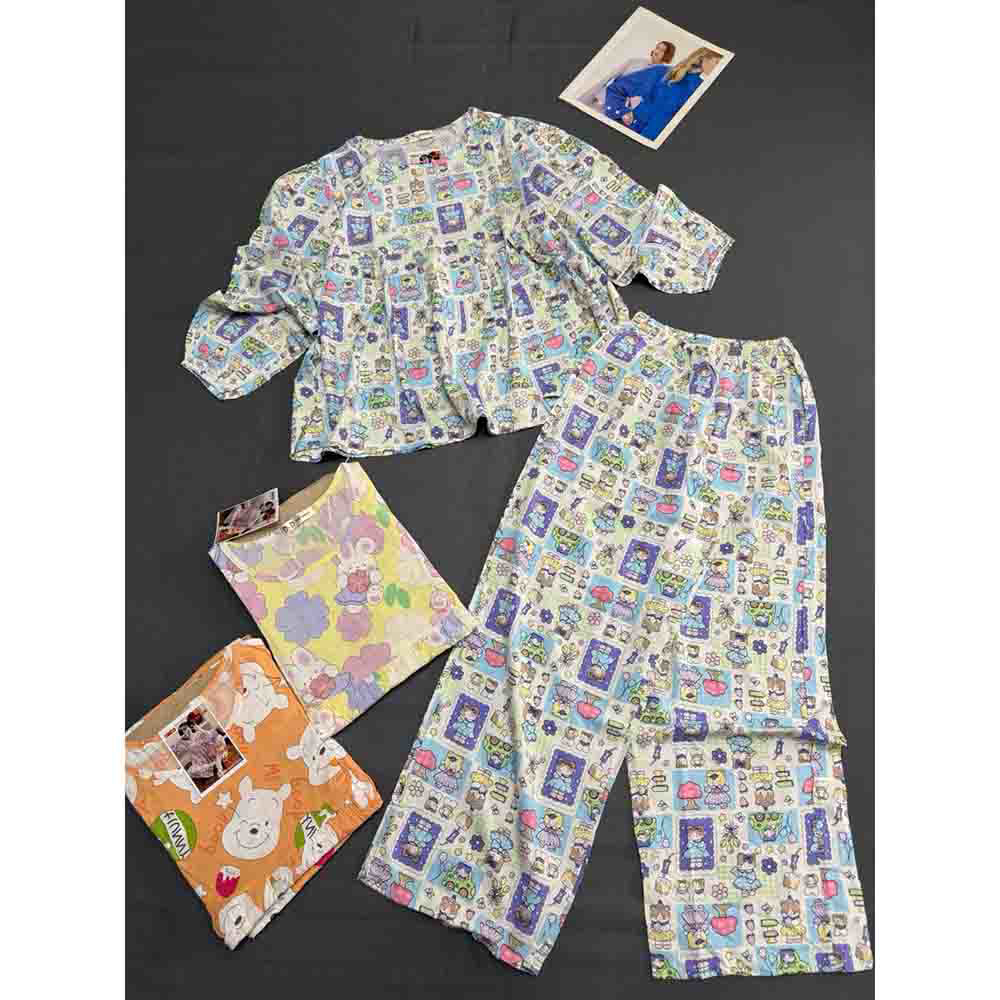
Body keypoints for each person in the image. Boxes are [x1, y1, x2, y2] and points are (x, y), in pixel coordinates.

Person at [626, 47, 724, 141]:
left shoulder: (682, 76)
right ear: (704, 58)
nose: (719, 68)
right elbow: (662, 113)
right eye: (717, 62)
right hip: (644, 130)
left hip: (638, 126)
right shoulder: (687, 81)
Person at [578, 40, 676, 112]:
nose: (657, 51)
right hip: (602, 101)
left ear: (667, 55)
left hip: (622, 112)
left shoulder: (662, 76)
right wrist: (585, 98)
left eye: (662, 50)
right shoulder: (634, 62)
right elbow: (607, 78)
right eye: (657, 47)